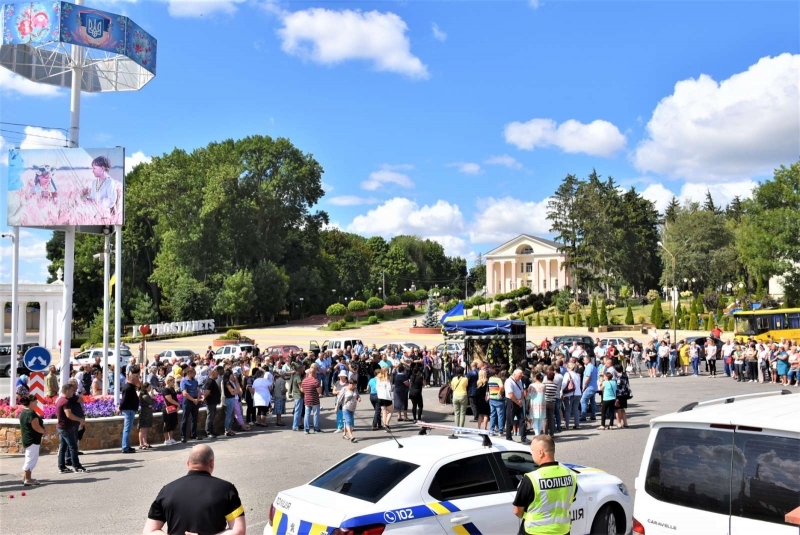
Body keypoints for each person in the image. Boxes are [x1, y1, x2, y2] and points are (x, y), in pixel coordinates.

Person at [143, 445, 246, 535]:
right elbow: (239, 531)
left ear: (188, 463)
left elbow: (149, 531)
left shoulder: (167, 490)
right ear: (211, 463)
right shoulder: (227, 489)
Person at [512, 435, 577, 535]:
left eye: (532, 450)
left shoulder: (532, 479)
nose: (531, 453)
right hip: (562, 531)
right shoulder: (571, 475)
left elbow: (517, 511)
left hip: (535, 532)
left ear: (541, 453)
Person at [56, 383, 88, 473]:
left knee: (63, 447)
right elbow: (69, 415)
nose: (73, 392)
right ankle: (77, 466)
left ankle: (62, 467)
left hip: (61, 426)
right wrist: (80, 419)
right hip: (66, 427)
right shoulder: (66, 401)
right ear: (66, 391)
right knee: (73, 447)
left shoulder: (60, 400)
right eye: (71, 391)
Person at [19, 394, 45, 485]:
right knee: (31, 459)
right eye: (35, 402)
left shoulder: (24, 412)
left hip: (29, 438)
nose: (37, 403)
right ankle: (28, 479)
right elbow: (36, 427)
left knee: (29, 458)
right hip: (32, 439)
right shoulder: (30, 413)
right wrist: (44, 431)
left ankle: (25, 477)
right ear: (31, 402)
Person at [505, 368, 530, 444]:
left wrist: (521, 400)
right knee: (510, 420)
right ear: (514, 374)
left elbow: (522, 392)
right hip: (511, 402)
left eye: (521, 376)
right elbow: (511, 394)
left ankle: (523, 437)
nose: (520, 377)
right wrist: (517, 402)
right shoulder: (509, 381)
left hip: (519, 401)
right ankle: (508, 437)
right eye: (519, 376)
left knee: (522, 420)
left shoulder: (519, 381)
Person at [120, 365, 141, 454]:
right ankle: (125, 447)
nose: (138, 379)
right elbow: (124, 400)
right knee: (127, 429)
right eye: (137, 377)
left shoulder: (131, 387)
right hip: (128, 410)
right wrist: (121, 407)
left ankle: (127, 446)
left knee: (128, 429)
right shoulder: (128, 387)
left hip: (130, 409)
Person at [180, 367, 202, 443]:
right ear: (189, 373)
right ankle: (183, 436)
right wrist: (193, 399)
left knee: (194, 418)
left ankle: (193, 435)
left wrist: (197, 399)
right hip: (188, 401)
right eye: (193, 373)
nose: (195, 374)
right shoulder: (184, 381)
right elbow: (184, 393)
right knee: (185, 418)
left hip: (195, 400)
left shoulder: (195, 381)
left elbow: (198, 390)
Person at [301, 367, 323, 434]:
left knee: (307, 414)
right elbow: (319, 391)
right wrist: (321, 386)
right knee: (316, 414)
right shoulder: (315, 381)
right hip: (315, 400)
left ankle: (306, 429)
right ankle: (316, 429)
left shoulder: (304, 381)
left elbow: (302, 390)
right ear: (314, 373)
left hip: (307, 400)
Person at [340, 379, 361, 443]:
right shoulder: (344, 389)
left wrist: (359, 398)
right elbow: (340, 398)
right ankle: (351, 436)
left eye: (355, 385)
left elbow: (357, 395)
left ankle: (345, 434)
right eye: (352, 384)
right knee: (348, 421)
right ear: (349, 384)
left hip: (352, 408)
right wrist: (336, 407)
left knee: (350, 422)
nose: (354, 386)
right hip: (345, 408)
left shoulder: (355, 389)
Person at [204, 367, 222, 438]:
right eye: (216, 374)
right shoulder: (210, 382)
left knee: (212, 417)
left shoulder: (213, 381)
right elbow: (207, 392)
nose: (217, 376)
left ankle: (212, 430)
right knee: (210, 417)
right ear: (213, 374)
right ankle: (208, 432)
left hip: (214, 402)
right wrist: (204, 398)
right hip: (210, 402)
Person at [162, 376, 180, 446]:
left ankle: (171, 438)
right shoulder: (165, 390)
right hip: (167, 408)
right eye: (172, 381)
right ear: (168, 381)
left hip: (173, 408)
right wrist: (178, 404)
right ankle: (166, 439)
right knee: (166, 424)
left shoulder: (172, 388)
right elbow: (169, 399)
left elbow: (175, 397)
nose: (173, 382)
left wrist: (177, 406)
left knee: (172, 423)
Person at [488, 370, 506, 436]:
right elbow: (501, 386)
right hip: (498, 399)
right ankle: (500, 431)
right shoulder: (498, 379)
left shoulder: (490, 379)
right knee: (500, 415)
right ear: (496, 374)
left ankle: (491, 430)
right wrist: (499, 393)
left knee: (492, 415)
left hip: (491, 398)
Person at [376, 366, 394, 431]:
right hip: (386, 397)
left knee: (384, 412)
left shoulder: (378, 379)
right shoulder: (387, 379)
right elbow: (390, 388)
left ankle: (384, 425)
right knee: (391, 411)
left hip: (380, 397)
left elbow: (376, 388)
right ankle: (387, 424)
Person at [138, 382, 154, 449]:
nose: (150, 388)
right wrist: (152, 397)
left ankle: (145, 442)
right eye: (149, 387)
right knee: (143, 429)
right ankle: (141, 444)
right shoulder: (145, 396)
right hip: (144, 413)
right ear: (146, 388)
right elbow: (152, 402)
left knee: (145, 429)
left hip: (147, 413)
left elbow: (152, 403)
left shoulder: (146, 395)